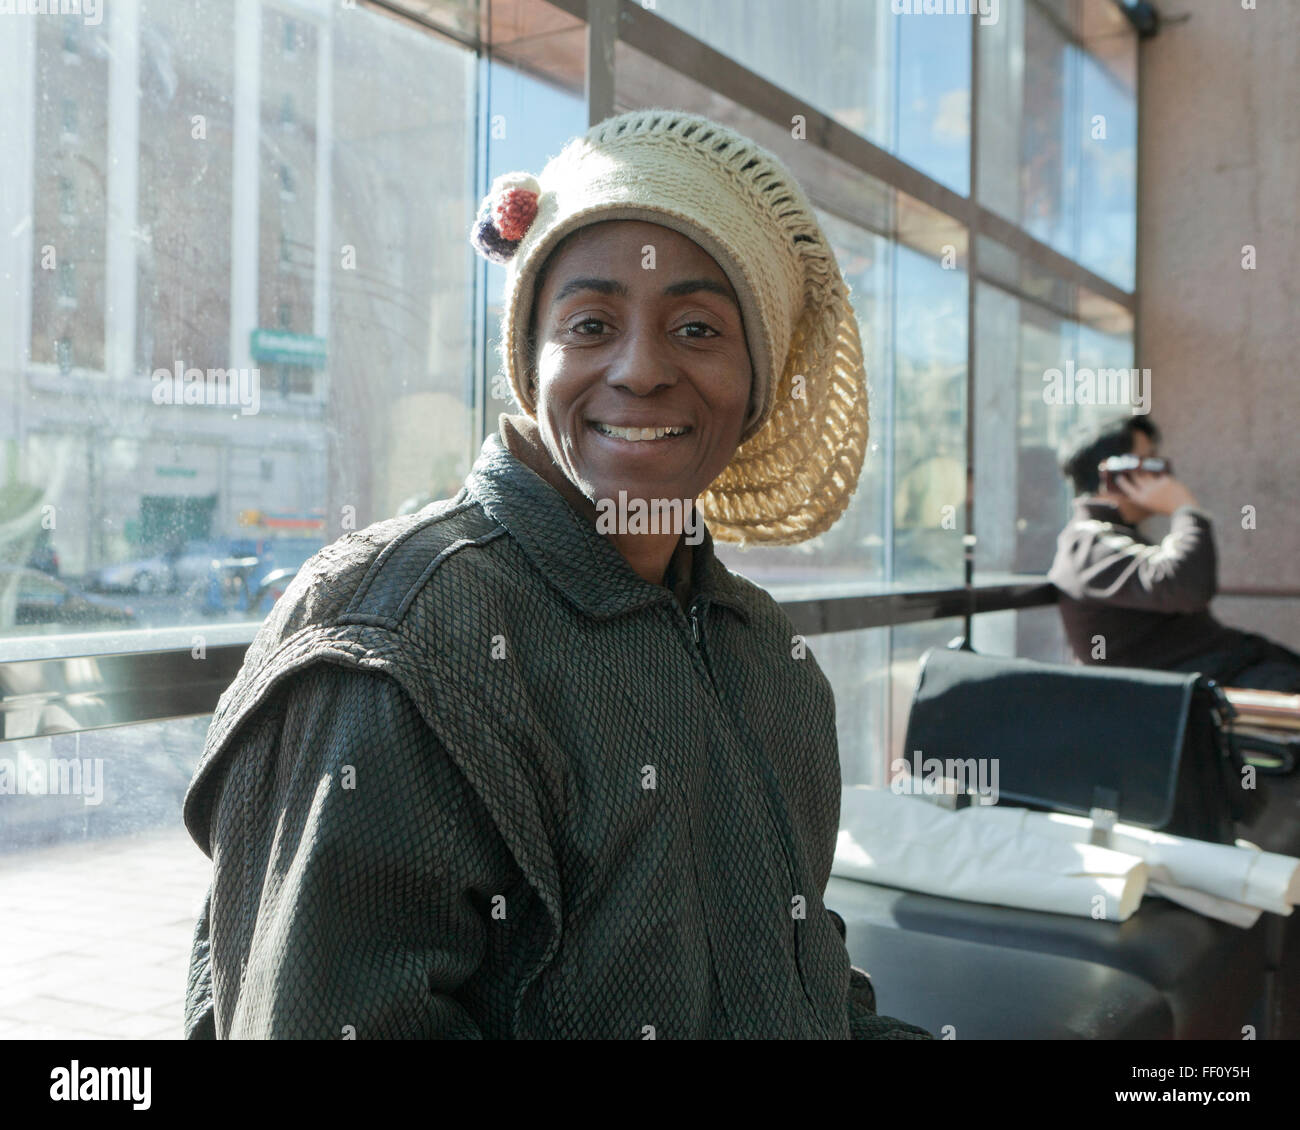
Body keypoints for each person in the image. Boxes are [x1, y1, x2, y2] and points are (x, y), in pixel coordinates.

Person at [180, 108, 930, 1039]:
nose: (641, 369)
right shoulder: (404, 640)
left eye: (698, 328)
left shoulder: (767, 657)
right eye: (591, 323)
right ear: (531, 365)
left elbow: (806, 989)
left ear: (758, 384)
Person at [1048, 414, 1300, 691]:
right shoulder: (1086, 545)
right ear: (1113, 475)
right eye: (1151, 463)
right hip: (1205, 700)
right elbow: (1189, 586)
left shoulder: (1109, 537)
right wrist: (1186, 510)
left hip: (1235, 676)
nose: (1163, 475)